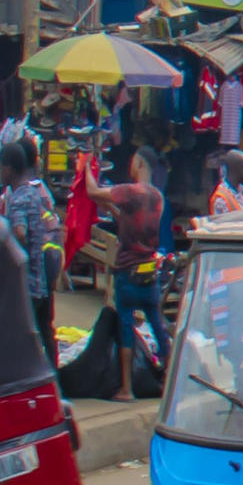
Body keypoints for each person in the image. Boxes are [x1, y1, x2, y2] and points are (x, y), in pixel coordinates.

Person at [98, 147, 169, 399]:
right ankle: (170, 382)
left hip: (127, 271)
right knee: (158, 326)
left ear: (139, 164)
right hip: (148, 273)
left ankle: (127, 389)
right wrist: (116, 212)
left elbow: (91, 191)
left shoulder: (131, 191)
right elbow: (135, 223)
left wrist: (85, 167)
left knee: (125, 327)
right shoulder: (157, 197)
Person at [0, 137, 61, 354]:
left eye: (1, 168)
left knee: (17, 343)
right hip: (40, 282)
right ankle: (53, 382)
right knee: (44, 334)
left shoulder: (19, 198)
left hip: (26, 285)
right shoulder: (35, 194)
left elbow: (20, 233)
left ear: (9, 168)